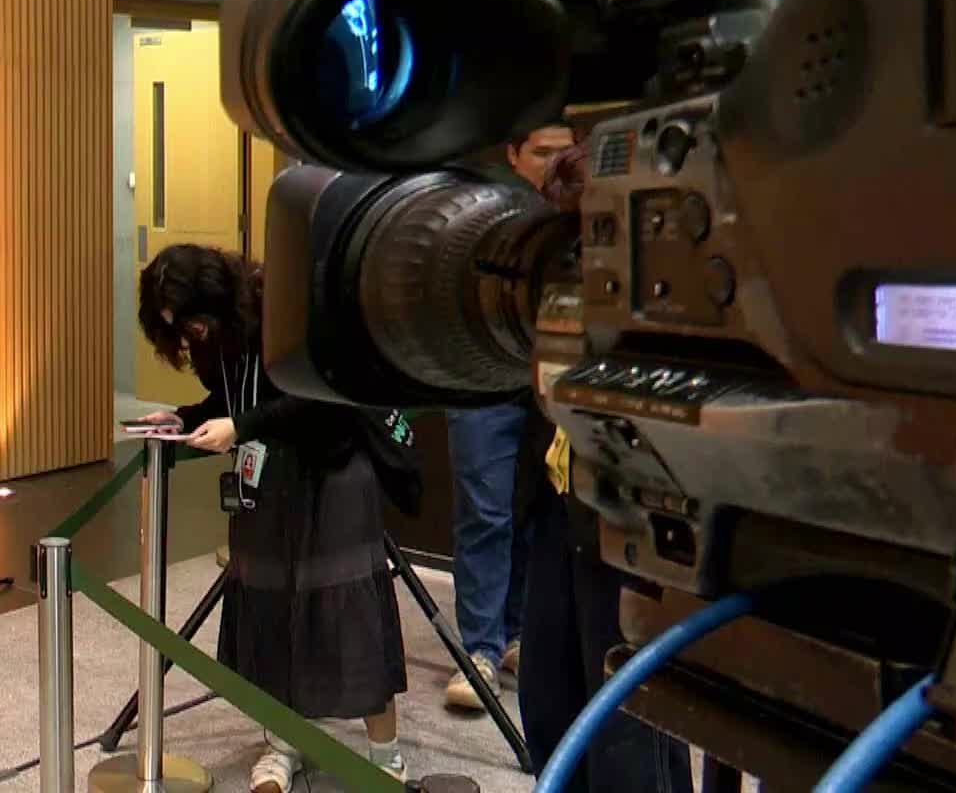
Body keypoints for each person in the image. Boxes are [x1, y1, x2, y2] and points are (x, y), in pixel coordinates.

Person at [135, 244, 423, 791]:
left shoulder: (281, 302)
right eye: (178, 329)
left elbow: (322, 397)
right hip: (267, 475)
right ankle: (284, 742)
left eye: (193, 322)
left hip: (332, 466)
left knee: (349, 610)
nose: (191, 335)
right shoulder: (213, 335)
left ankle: (386, 756)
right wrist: (184, 417)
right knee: (270, 607)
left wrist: (241, 428)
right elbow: (235, 395)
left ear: (215, 298)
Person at [518, 140, 695, 793]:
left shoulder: (669, 297)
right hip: (561, 510)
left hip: (633, 526)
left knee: (628, 731)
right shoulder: (562, 300)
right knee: (549, 703)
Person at [443, 122, 576, 711]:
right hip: (482, 379)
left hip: (549, 381)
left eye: (564, 152)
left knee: (539, 509)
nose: (554, 163)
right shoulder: (479, 212)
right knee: (485, 510)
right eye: (542, 153)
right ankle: (479, 648)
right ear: (514, 155)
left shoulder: (580, 213)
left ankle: (517, 632)